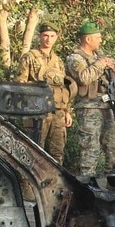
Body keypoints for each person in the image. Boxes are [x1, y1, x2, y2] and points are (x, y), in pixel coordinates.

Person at [65, 21, 115, 176]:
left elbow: (114, 77)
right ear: (88, 39)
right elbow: (83, 78)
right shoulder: (75, 59)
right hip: (88, 108)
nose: (101, 41)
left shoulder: (100, 57)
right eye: (98, 37)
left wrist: (112, 67)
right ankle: (88, 185)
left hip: (108, 105)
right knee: (90, 149)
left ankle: (114, 180)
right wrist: (100, 65)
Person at [16, 22, 71, 161]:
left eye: (52, 36)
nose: (48, 39)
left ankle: (56, 182)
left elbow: (63, 88)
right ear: (40, 36)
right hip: (37, 112)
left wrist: (66, 111)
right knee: (33, 152)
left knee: (57, 152)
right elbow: (19, 84)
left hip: (57, 112)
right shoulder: (29, 57)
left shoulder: (58, 61)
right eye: (45, 35)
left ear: (56, 38)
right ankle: (30, 183)